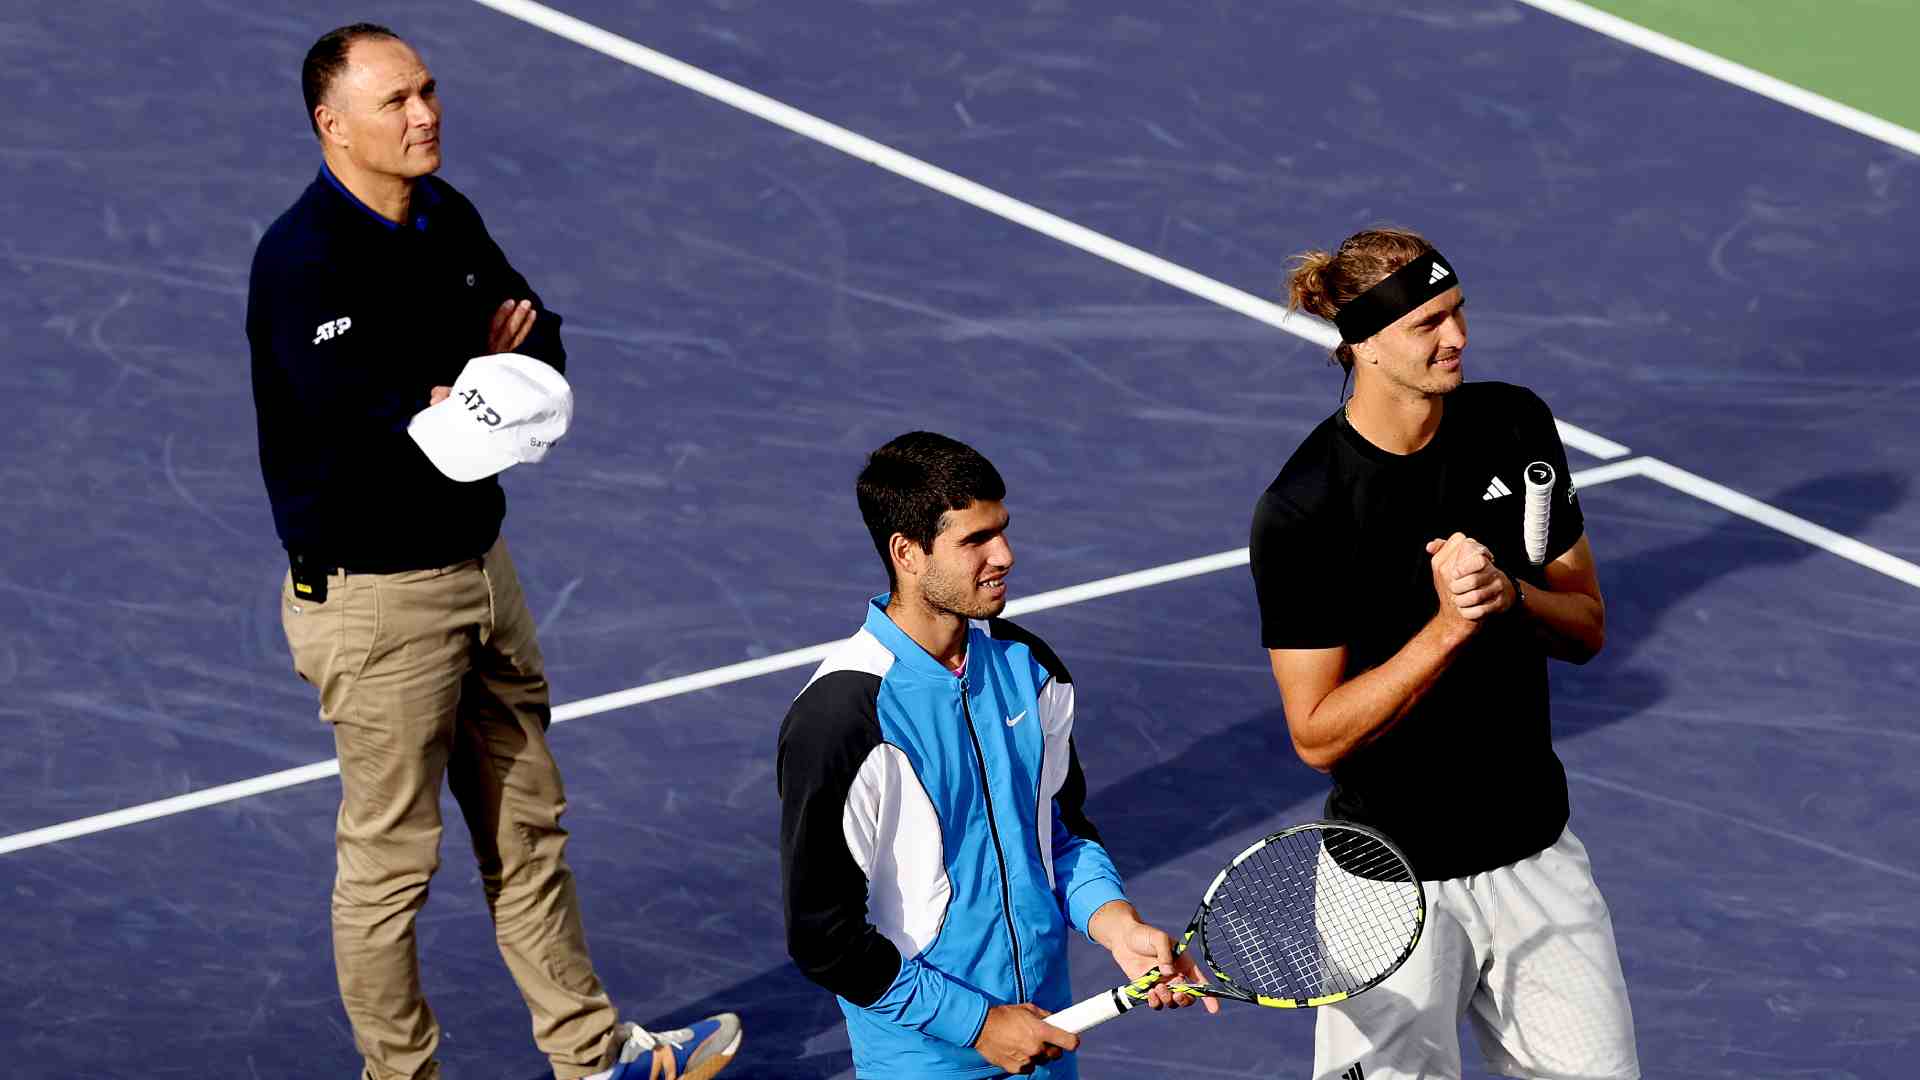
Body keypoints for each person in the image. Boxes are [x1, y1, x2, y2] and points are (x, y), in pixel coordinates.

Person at [246, 23, 739, 1080]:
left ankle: (593, 1056)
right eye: (395, 102)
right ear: (332, 126)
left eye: (427, 90)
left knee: (529, 829)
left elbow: (534, 336)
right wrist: (468, 383)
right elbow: (378, 435)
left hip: (481, 570)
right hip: (378, 604)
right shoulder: (304, 265)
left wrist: (467, 388)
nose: (424, 114)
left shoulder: (444, 214)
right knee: (390, 869)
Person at [1249, 228, 1638, 1080]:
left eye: (1457, 310)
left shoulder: (1513, 424)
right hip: (1389, 887)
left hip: (1536, 855)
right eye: (1428, 322)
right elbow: (1316, 735)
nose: (1455, 336)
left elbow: (1586, 626)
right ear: (1364, 345)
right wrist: (1449, 627)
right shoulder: (1306, 509)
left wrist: (1510, 597)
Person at [777, 432, 1212, 1078]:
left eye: (1002, 530)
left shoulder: (1030, 670)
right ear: (908, 554)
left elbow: (1059, 835)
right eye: (975, 540)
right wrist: (977, 1024)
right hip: (925, 1061)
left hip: (1045, 1034)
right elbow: (825, 939)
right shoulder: (841, 718)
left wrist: (1117, 924)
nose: (1004, 554)